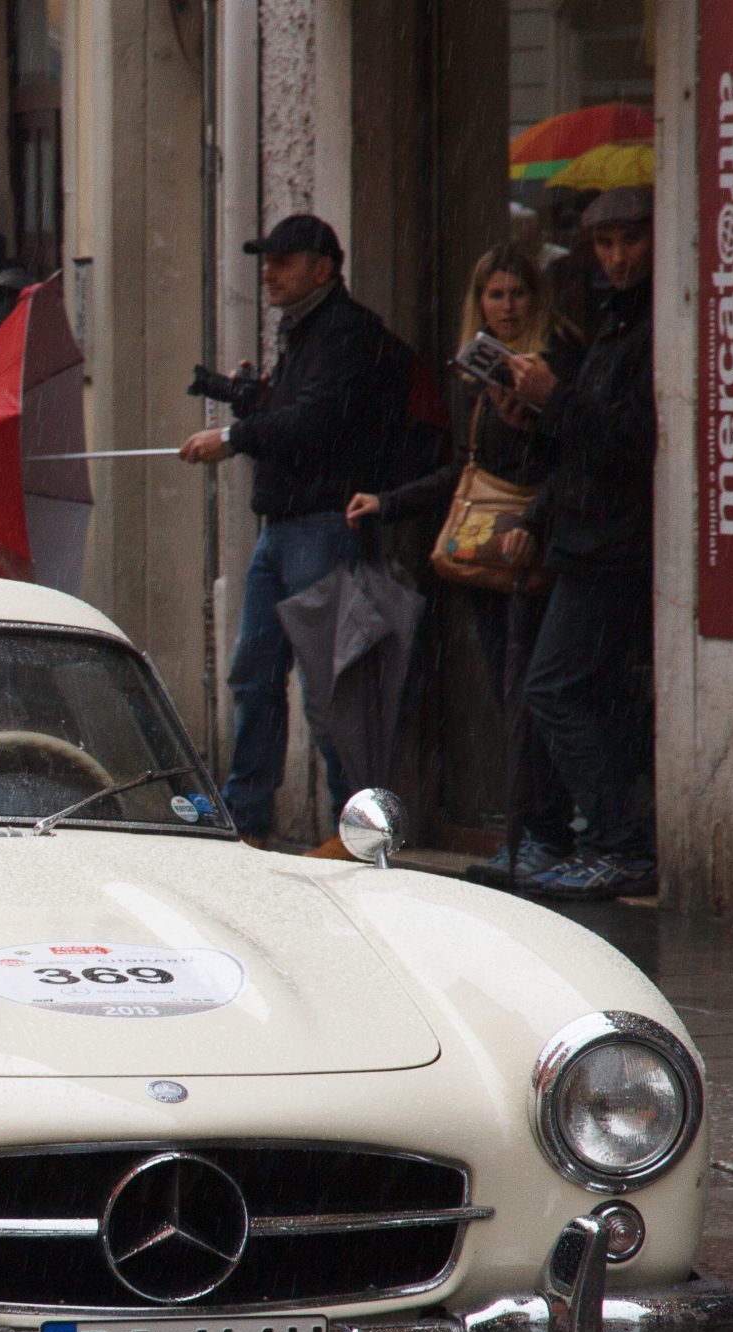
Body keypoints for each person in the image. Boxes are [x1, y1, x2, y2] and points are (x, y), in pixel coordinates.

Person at [347, 245, 584, 889]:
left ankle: (549, 832)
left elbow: (566, 458)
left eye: (517, 294)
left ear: (537, 299)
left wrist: (536, 430)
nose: (506, 307)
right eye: (494, 295)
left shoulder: (552, 366)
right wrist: (390, 502)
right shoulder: (487, 381)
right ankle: (529, 832)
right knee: (512, 693)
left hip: (532, 551)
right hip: (488, 554)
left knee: (533, 694)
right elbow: (471, 469)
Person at [179, 213, 409, 851]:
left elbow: (316, 426)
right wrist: (252, 402)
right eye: (266, 260)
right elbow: (299, 419)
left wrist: (232, 436)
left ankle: (354, 825)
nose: (269, 273)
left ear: (323, 267)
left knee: (330, 689)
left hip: (321, 529)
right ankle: (246, 816)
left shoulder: (345, 331)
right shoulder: (304, 331)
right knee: (254, 676)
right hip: (280, 531)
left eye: (283, 261)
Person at [503, 186, 659, 901]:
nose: (617, 257)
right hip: (586, 538)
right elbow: (583, 449)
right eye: (604, 243)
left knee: (555, 688)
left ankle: (619, 840)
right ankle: (593, 836)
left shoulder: (648, 326)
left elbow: (630, 441)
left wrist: (554, 400)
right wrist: (535, 517)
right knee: (574, 694)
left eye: (630, 240)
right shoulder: (614, 322)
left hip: (613, 546)